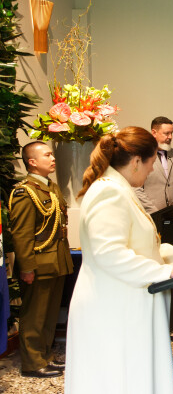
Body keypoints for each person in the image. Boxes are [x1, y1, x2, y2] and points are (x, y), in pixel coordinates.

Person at [65, 127, 173, 393]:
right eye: (151, 162)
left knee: (133, 375)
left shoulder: (120, 189)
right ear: (135, 162)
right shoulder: (109, 192)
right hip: (112, 306)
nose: (152, 170)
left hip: (124, 301)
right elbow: (109, 253)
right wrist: (166, 272)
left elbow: (139, 243)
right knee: (118, 379)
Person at [8, 141, 73, 378]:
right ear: (32, 162)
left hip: (56, 261)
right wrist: (27, 268)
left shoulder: (50, 187)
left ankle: (45, 356)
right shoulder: (25, 192)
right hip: (38, 263)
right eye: (47, 155)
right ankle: (32, 363)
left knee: (49, 315)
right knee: (34, 316)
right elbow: (22, 235)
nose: (53, 159)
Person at [135, 116, 173, 213]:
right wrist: (155, 212)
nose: (170, 137)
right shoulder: (142, 156)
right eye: (166, 133)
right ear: (154, 133)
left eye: (171, 133)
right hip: (151, 215)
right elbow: (136, 188)